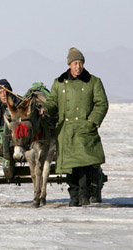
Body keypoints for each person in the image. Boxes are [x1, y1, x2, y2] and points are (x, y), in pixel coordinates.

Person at [40, 47, 108, 207]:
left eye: (81, 63)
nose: (78, 66)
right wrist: (46, 110)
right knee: (70, 166)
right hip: (66, 129)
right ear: (69, 64)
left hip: (85, 128)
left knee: (84, 164)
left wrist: (92, 121)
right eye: (75, 63)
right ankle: (74, 196)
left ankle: (84, 195)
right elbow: (52, 102)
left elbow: (102, 103)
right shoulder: (59, 82)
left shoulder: (93, 82)